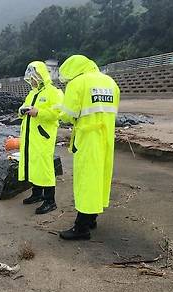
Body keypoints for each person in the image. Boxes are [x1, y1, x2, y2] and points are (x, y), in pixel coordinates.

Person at [57, 55, 120, 240]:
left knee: (86, 179)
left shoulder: (78, 83)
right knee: (100, 177)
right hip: (107, 138)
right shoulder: (110, 82)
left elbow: (68, 115)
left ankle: (81, 227)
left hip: (87, 138)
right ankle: (92, 217)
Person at [17, 61, 64, 214]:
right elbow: (21, 110)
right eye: (30, 78)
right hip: (30, 137)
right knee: (33, 164)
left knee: (45, 166)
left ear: (41, 75)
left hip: (43, 137)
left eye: (34, 77)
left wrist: (39, 112)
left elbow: (59, 113)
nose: (32, 81)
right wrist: (22, 111)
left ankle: (50, 201)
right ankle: (37, 194)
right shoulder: (32, 93)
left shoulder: (54, 92)